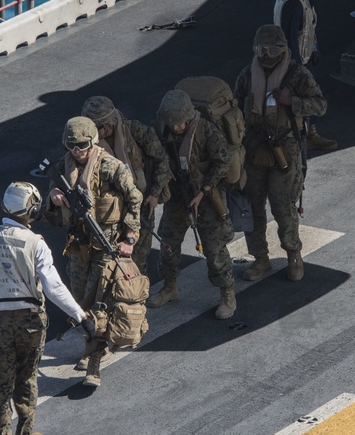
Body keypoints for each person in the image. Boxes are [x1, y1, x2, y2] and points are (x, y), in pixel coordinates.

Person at [0, 181, 88, 435]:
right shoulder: (35, 243)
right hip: (30, 321)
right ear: (32, 210)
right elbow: (54, 287)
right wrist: (80, 316)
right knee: (26, 378)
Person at [45, 116, 142, 387]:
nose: (77, 151)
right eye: (72, 146)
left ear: (93, 142)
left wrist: (130, 238)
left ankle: (94, 364)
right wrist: (53, 196)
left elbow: (135, 199)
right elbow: (48, 206)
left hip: (107, 246)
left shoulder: (112, 168)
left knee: (99, 305)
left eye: (82, 145)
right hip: (79, 247)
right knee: (78, 302)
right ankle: (90, 345)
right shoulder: (63, 169)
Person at [234, 24, 327, 283]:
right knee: (252, 207)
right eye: (261, 50)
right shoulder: (246, 76)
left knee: (283, 206)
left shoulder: (297, 75)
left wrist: (291, 102)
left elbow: (320, 105)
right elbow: (234, 108)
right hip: (253, 148)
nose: (266, 55)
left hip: (284, 149)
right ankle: (260, 258)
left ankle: (293, 254)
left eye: (273, 49)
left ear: (283, 50)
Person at [147, 89, 237, 319]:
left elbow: (223, 162)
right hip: (177, 197)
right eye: (173, 123)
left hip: (205, 196)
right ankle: (169, 287)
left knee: (214, 249)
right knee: (167, 243)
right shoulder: (160, 128)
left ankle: (227, 293)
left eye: (180, 123)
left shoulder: (206, 130)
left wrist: (204, 190)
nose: (177, 128)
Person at [81, 95, 171, 276]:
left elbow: (162, 160)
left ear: (108, 125)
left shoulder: (135, 132)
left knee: (136, 264)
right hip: (106, 216)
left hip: (140, 209)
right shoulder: (86, 143)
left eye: (96, 127)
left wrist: (154, 194)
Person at [273, 0, 337, 152]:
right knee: (307, 100)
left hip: (303, 58)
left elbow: (308, 26)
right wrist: (297, 68)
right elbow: (289, 38)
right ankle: (301, 137)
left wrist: (314, 47)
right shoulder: (294, 3)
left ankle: (307, 133)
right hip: (296, 62)